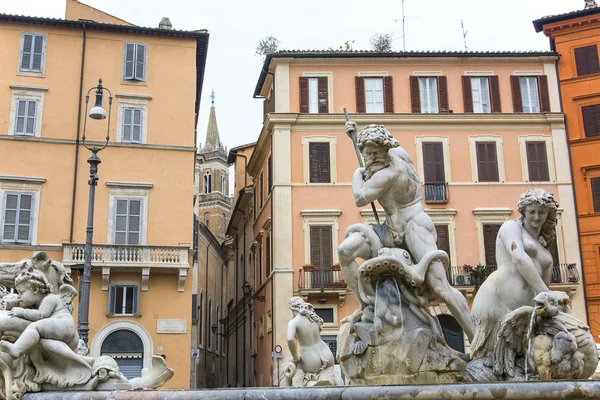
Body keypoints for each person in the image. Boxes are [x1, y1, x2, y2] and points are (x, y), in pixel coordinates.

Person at [338, 122, 475, 341]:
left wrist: (358, 172)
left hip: (414, 226)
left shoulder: (390, 172)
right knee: (345, 251)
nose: (371, 159)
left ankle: (475, 338)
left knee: (441, 287)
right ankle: (369, 306)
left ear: (386, 150)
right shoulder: (394, 153)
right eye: (366, 154)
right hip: (388, 231)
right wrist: (356, 139)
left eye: (375, 153)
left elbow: (359, 198)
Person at [470, 188, 558, 359]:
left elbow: (543, 286)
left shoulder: (545, 250)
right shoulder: (510, 227)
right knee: (487, 361)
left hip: (523, 313)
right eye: (532, 211)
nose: (536, 217)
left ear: (548, 214)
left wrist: (546, 300)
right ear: (523, 211)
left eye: (541, 212)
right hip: (496, 301)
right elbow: (519, 258)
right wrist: (547, 294)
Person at [0, 268, 79, 359]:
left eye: (21, 292)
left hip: (64, 325)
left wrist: (22, 312)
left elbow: (40, 315)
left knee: (36, 326)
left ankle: (17, 349)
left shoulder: (49, 298)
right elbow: (22, 303)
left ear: (35, 289)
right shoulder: (38, 303)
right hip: (64, 329)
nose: (19, 296)